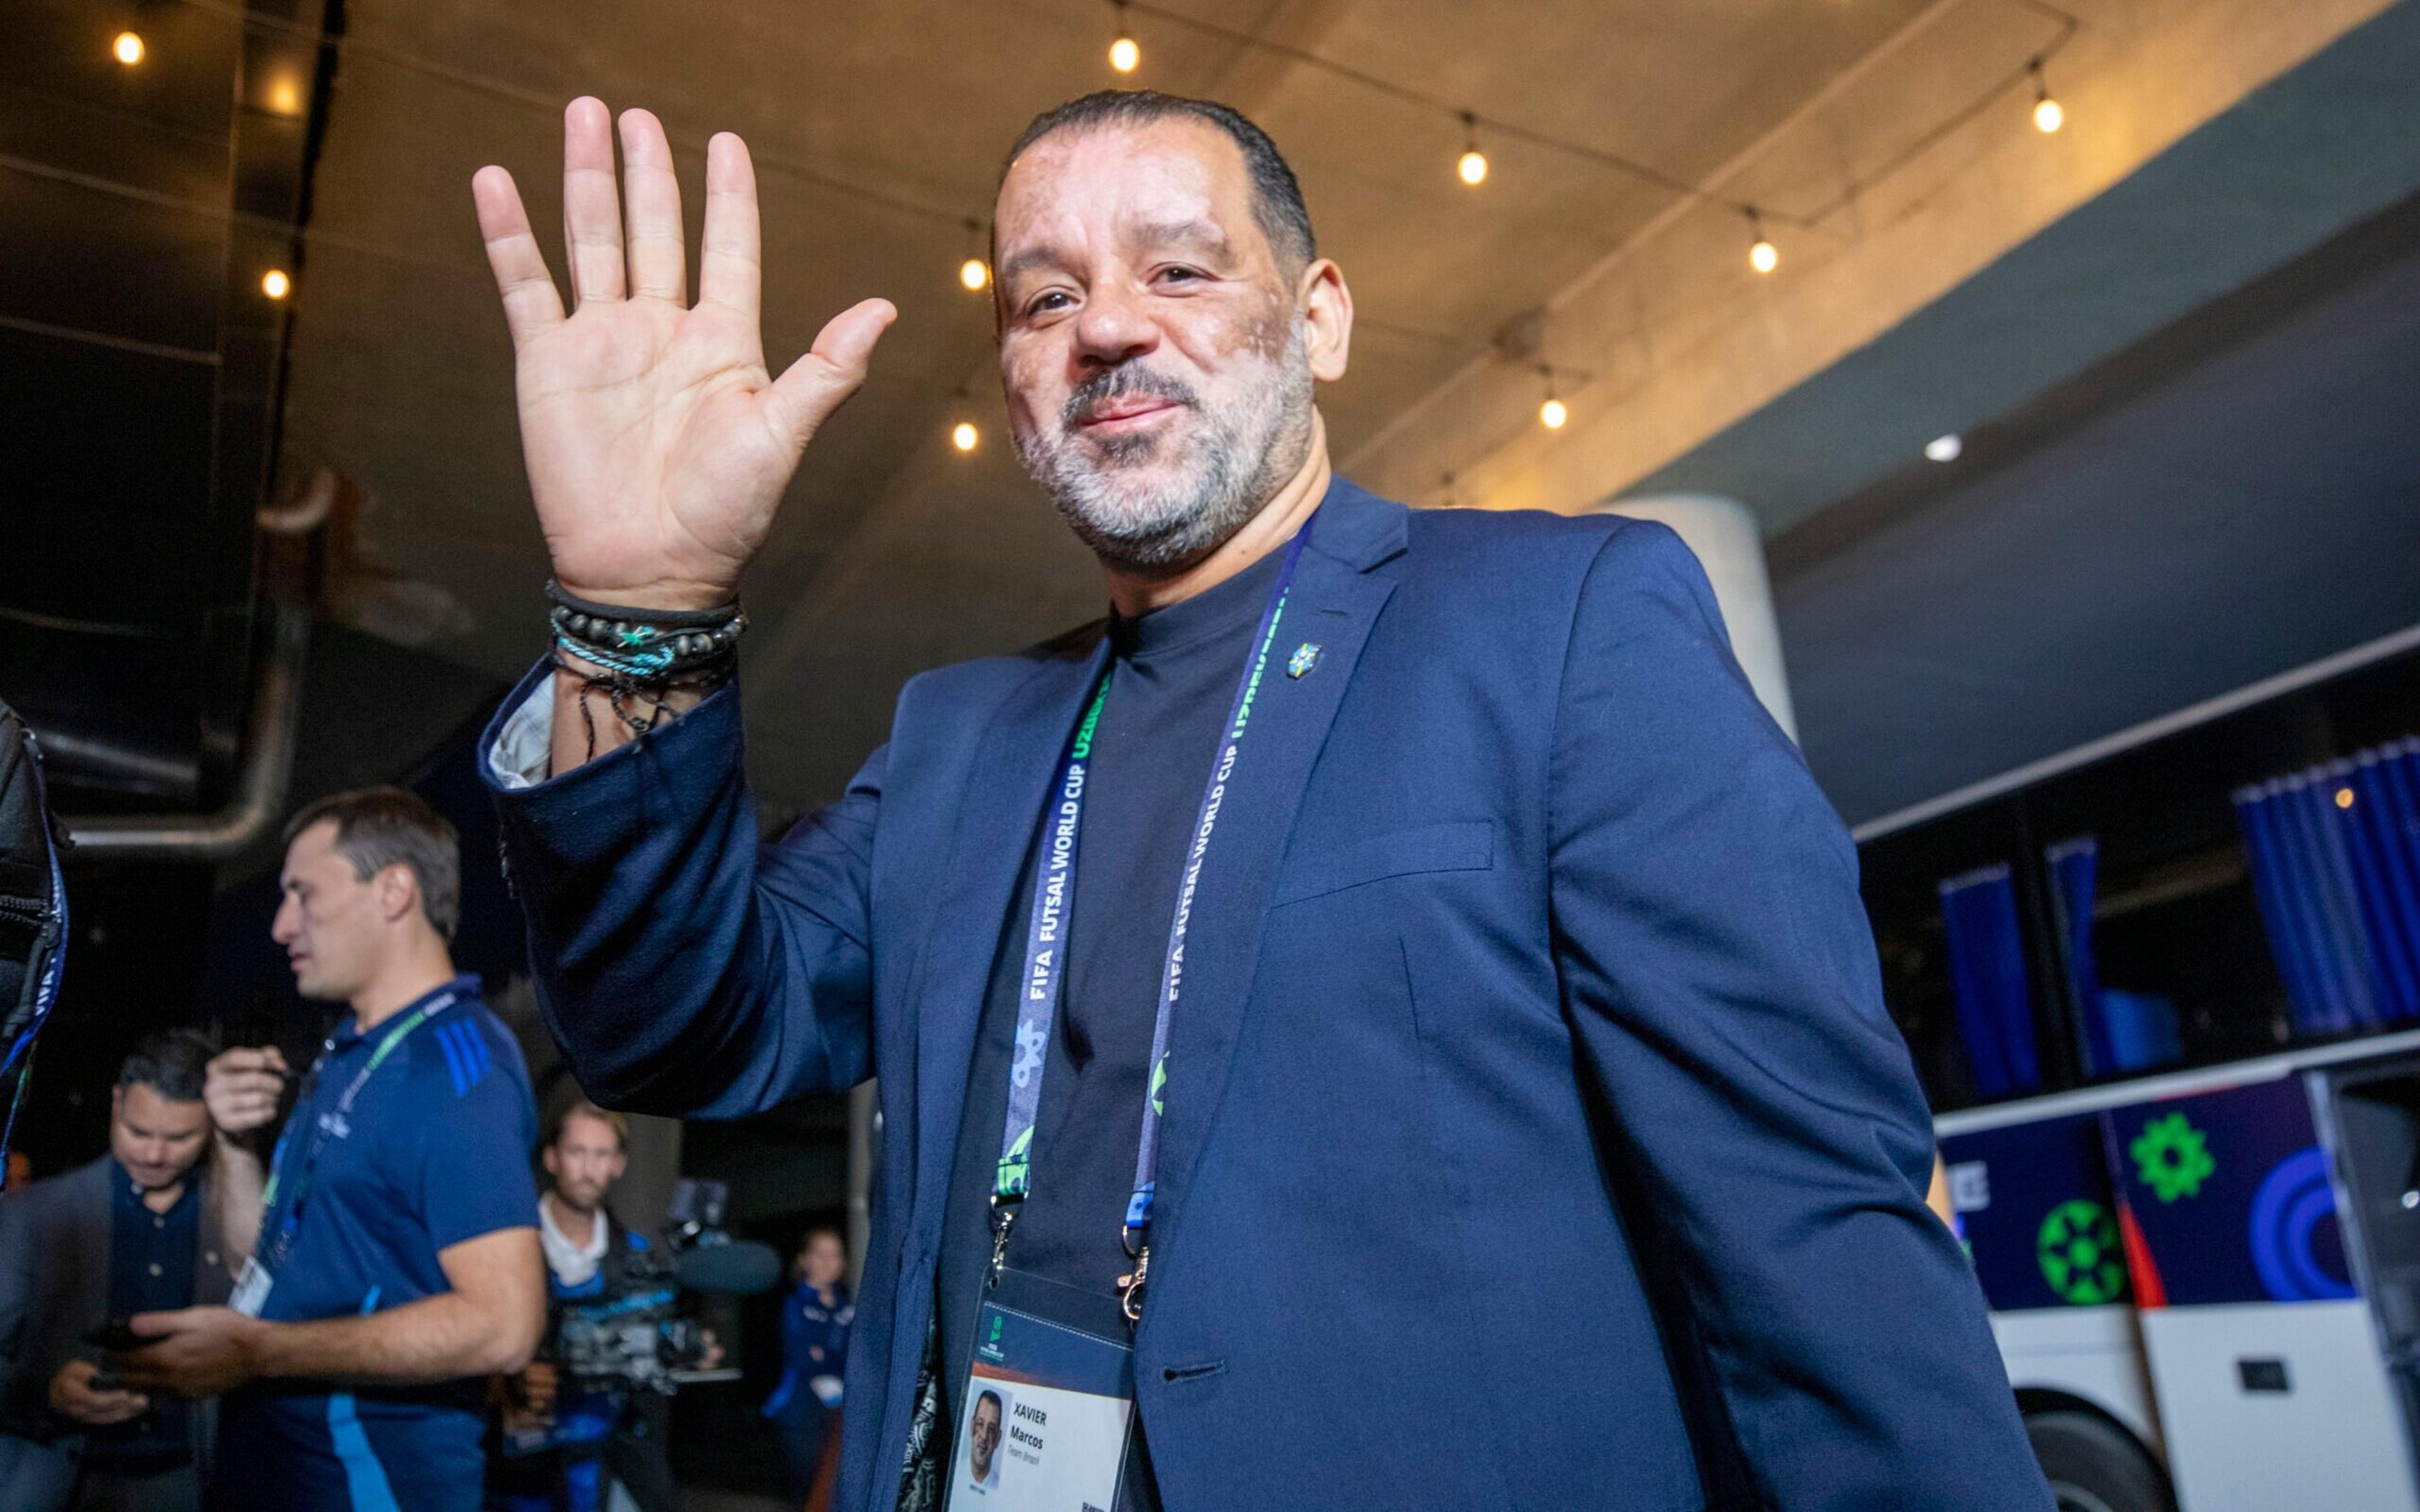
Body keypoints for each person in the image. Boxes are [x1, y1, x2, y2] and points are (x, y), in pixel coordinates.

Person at [468, 89, 2054, 1510]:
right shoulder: (960, 742)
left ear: (1319, 317)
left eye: (1177, 268)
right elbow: (683, 1022)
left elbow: (1811, 1228)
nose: (1104, 328)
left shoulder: (1557, 626)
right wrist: (642, 610)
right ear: (1017, 381)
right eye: (1045, 296)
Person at [113, 787, 546, 1511]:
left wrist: (259, 1351)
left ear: (394, 891)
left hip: (369, 1481)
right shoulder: (348, 1052)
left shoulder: (456, 1065)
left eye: (303, 894)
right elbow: (270, 1260)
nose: (282, 925)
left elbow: (505, 1325)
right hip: (278, 1463)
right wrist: (234, 1143)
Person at [0, 1030, 234, 1511]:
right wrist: (47, 1392)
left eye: (179, 1138)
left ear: (213, 1125)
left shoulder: (236, 1223)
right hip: (57, 1482)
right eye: (139, 1132)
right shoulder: (39, 1214)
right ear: (116, 1104)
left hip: (190, 1487)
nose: (153, 1155)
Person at [486, 1099, 675, 1512]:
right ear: (552, 1158)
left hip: (613, 1459)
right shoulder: (503, 1250)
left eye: (602, 1153)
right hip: (521, 1474)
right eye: (577, 1152)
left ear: (619, 1164)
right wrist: (504, 1381)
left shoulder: (639, 1258)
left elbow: (655, 1350)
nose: (589, 1169)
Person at [761, 1226, 851, 1498]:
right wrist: (824, 1360)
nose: (827, 1262)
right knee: (810, 1489)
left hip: (839, 1413)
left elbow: (849, 1357)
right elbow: (804, 1356)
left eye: (834, 1255)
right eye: (819, 1254)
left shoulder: (847, 1305)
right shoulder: (794, 1303)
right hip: (800, 1412)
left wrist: (827, 1358)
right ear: (804, 1260)